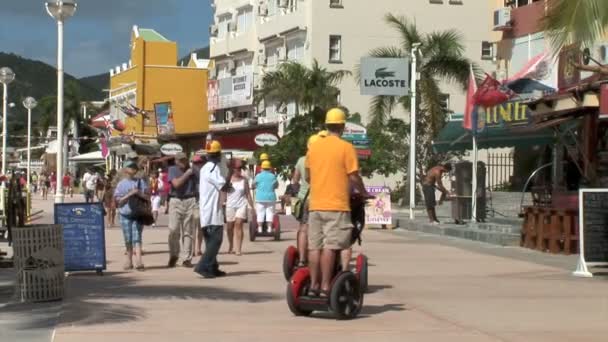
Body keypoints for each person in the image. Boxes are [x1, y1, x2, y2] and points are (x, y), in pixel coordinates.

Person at [305, 108, 370, 297]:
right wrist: (363, 192)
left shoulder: (314, 147)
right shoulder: (346, 148)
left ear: (326, 125)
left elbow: (308, 176)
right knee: (331, 247)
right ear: (342, 126)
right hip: (337, 206)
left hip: (315, 205)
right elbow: (354, 176)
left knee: (315, 247)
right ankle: (326, 286)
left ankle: (313, 286)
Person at [291, 132, 326, 266]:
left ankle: (302, 259)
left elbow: (295, 180)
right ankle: (320, 259)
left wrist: (298, 192)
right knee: (322, 230)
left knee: (303, 229)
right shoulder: (324, 160)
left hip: (304, 198)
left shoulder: (301, 160)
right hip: (320, 199)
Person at [195, 140, 227, 278]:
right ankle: (203, 266)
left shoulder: (205, 168)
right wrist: (230, 171)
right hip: (212, 210)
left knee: (210, 240)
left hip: (206, 209)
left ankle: (213, 267)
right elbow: (222, 185)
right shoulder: (213, 168)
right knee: (217, 239)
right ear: (218, 154)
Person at [114, 160, 149, 271]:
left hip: (137, 214)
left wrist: (138, 193)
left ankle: (139, 261)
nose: (133, 169)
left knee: (137, 237)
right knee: (128, 238)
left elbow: (147, 197)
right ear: (125, 169)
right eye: (130, 167)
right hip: (125, 214)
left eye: (134, 167)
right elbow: (118, 201)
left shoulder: (141, 182)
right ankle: (129, 260)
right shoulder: (121, 184)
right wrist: (129, 194)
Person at [167, 152, 198, 268]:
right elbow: (176, 184)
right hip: (176, 200)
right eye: (180, 160)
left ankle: (187, 259)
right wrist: (187, 174)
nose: (183, 162)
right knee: (173, 229)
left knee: (188, 231)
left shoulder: (193, 170)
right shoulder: (172, 170)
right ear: (176, 161)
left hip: (190, 200)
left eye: (184, 160)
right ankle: (174, 255)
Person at [223, 159, 254, 255]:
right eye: (238, 168)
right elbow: (223, 192)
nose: (239, 170)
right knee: (229, 227)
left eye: (241, 168)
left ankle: (238, 249)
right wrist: (222, 202)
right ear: (232, 169)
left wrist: (252, 207)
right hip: (230, 205)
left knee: (238, 224)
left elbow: (248, 194)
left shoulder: (244, 180)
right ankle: (231, 245)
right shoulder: (227, 179)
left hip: (241, 204)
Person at [253, 160, 278, 233]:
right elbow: (276, 185)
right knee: (270, 212)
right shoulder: (273, 176)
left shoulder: (258, 176)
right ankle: (269, 228)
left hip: (260, 198)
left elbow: (253, 184)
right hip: (271, 197)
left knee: (260, 212)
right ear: (270, 168)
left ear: (262, 168)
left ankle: (260, 228)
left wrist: (256, 186)